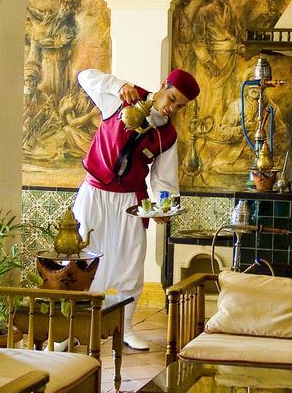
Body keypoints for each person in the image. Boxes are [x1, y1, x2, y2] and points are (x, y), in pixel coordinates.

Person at [72, 67, 200, 350]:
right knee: (81, 256)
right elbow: (84, 76)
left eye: (180, 106)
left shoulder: (166, 136)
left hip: (131, 199)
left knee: (131, 261)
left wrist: (166, 207)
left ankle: (126, 328)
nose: (172, 108)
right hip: (94, 192)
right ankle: (68, 329)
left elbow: (164, 178)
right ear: (163, 84)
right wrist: (118, 84)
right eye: (172, 98)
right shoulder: (121, 100)